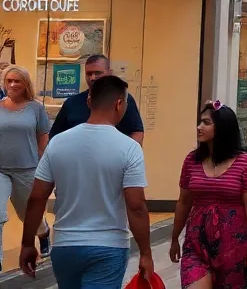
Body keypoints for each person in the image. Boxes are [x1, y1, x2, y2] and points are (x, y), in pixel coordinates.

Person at [20, 75, 153, 289]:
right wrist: (146, 253)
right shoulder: (129, 148)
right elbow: (136, 206)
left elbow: (37, 198)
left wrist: (27, 243)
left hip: (65, 246)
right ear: (119, 104)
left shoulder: (57, 144)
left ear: (89, 102)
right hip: (108, 248)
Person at [169, 102, 247, 289]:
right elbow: (184, 202)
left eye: (205, 123)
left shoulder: (245, 163)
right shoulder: (192, 160)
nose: (199, 127)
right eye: (199, 122)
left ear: (222, 128)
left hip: (233, 245)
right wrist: (174, 238)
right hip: (196, 242)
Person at [0, 67, 50, 257]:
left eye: (17, 81)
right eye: (9, 80)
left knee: (28, 214)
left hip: (27, 169)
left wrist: (42, 164)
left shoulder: (36, 108)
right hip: (1, 170)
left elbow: (43, 138)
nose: (12, 84)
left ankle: (43, 233)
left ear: (25, 84)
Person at [48, 54, 144, 144]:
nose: (93, 78)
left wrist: (126, 153)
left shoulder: (123, 99)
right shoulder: (72, 103)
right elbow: (54, 137)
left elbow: (137, 133)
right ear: (89, 102)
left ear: (109, 73)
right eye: (89, 74)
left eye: (98, 73)